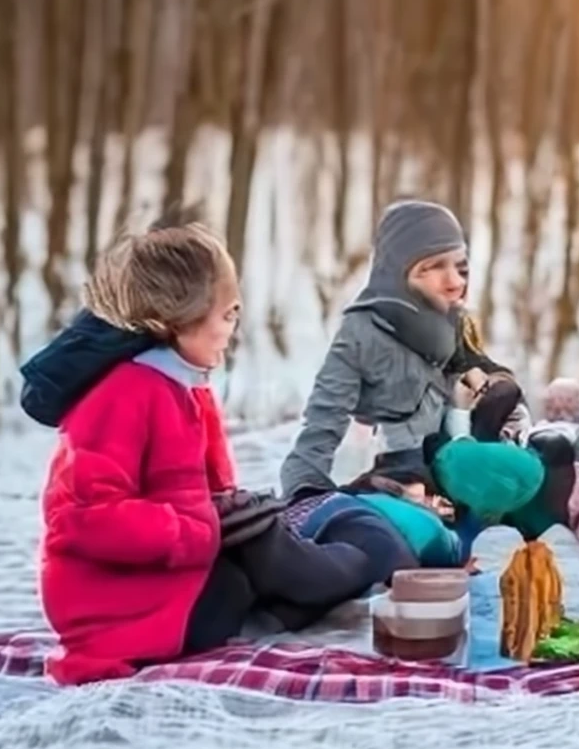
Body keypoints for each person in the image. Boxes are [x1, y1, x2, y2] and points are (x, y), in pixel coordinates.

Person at [25, 221, 374, 685]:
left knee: (256, 558)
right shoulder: (124, 394)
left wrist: (228, 512)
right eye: (227, 314)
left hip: (169, 580)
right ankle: (355, 560)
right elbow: (86, 516)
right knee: (270, 564)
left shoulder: (183, 385)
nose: (233, 328)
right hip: (113, 605)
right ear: (182, 317)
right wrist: (200, 527)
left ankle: (322, 575)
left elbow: (199, 492)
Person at [279, 199, 525, 502]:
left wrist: (496, 387)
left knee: (541, 463)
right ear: (398, 274)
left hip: (453, 462)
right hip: (390, 477)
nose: (455, 282)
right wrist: (304, 492)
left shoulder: (454, 322)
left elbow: (479, 365)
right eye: (433, 267)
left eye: (460, 268)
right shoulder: (365, 330)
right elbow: (324, 421)